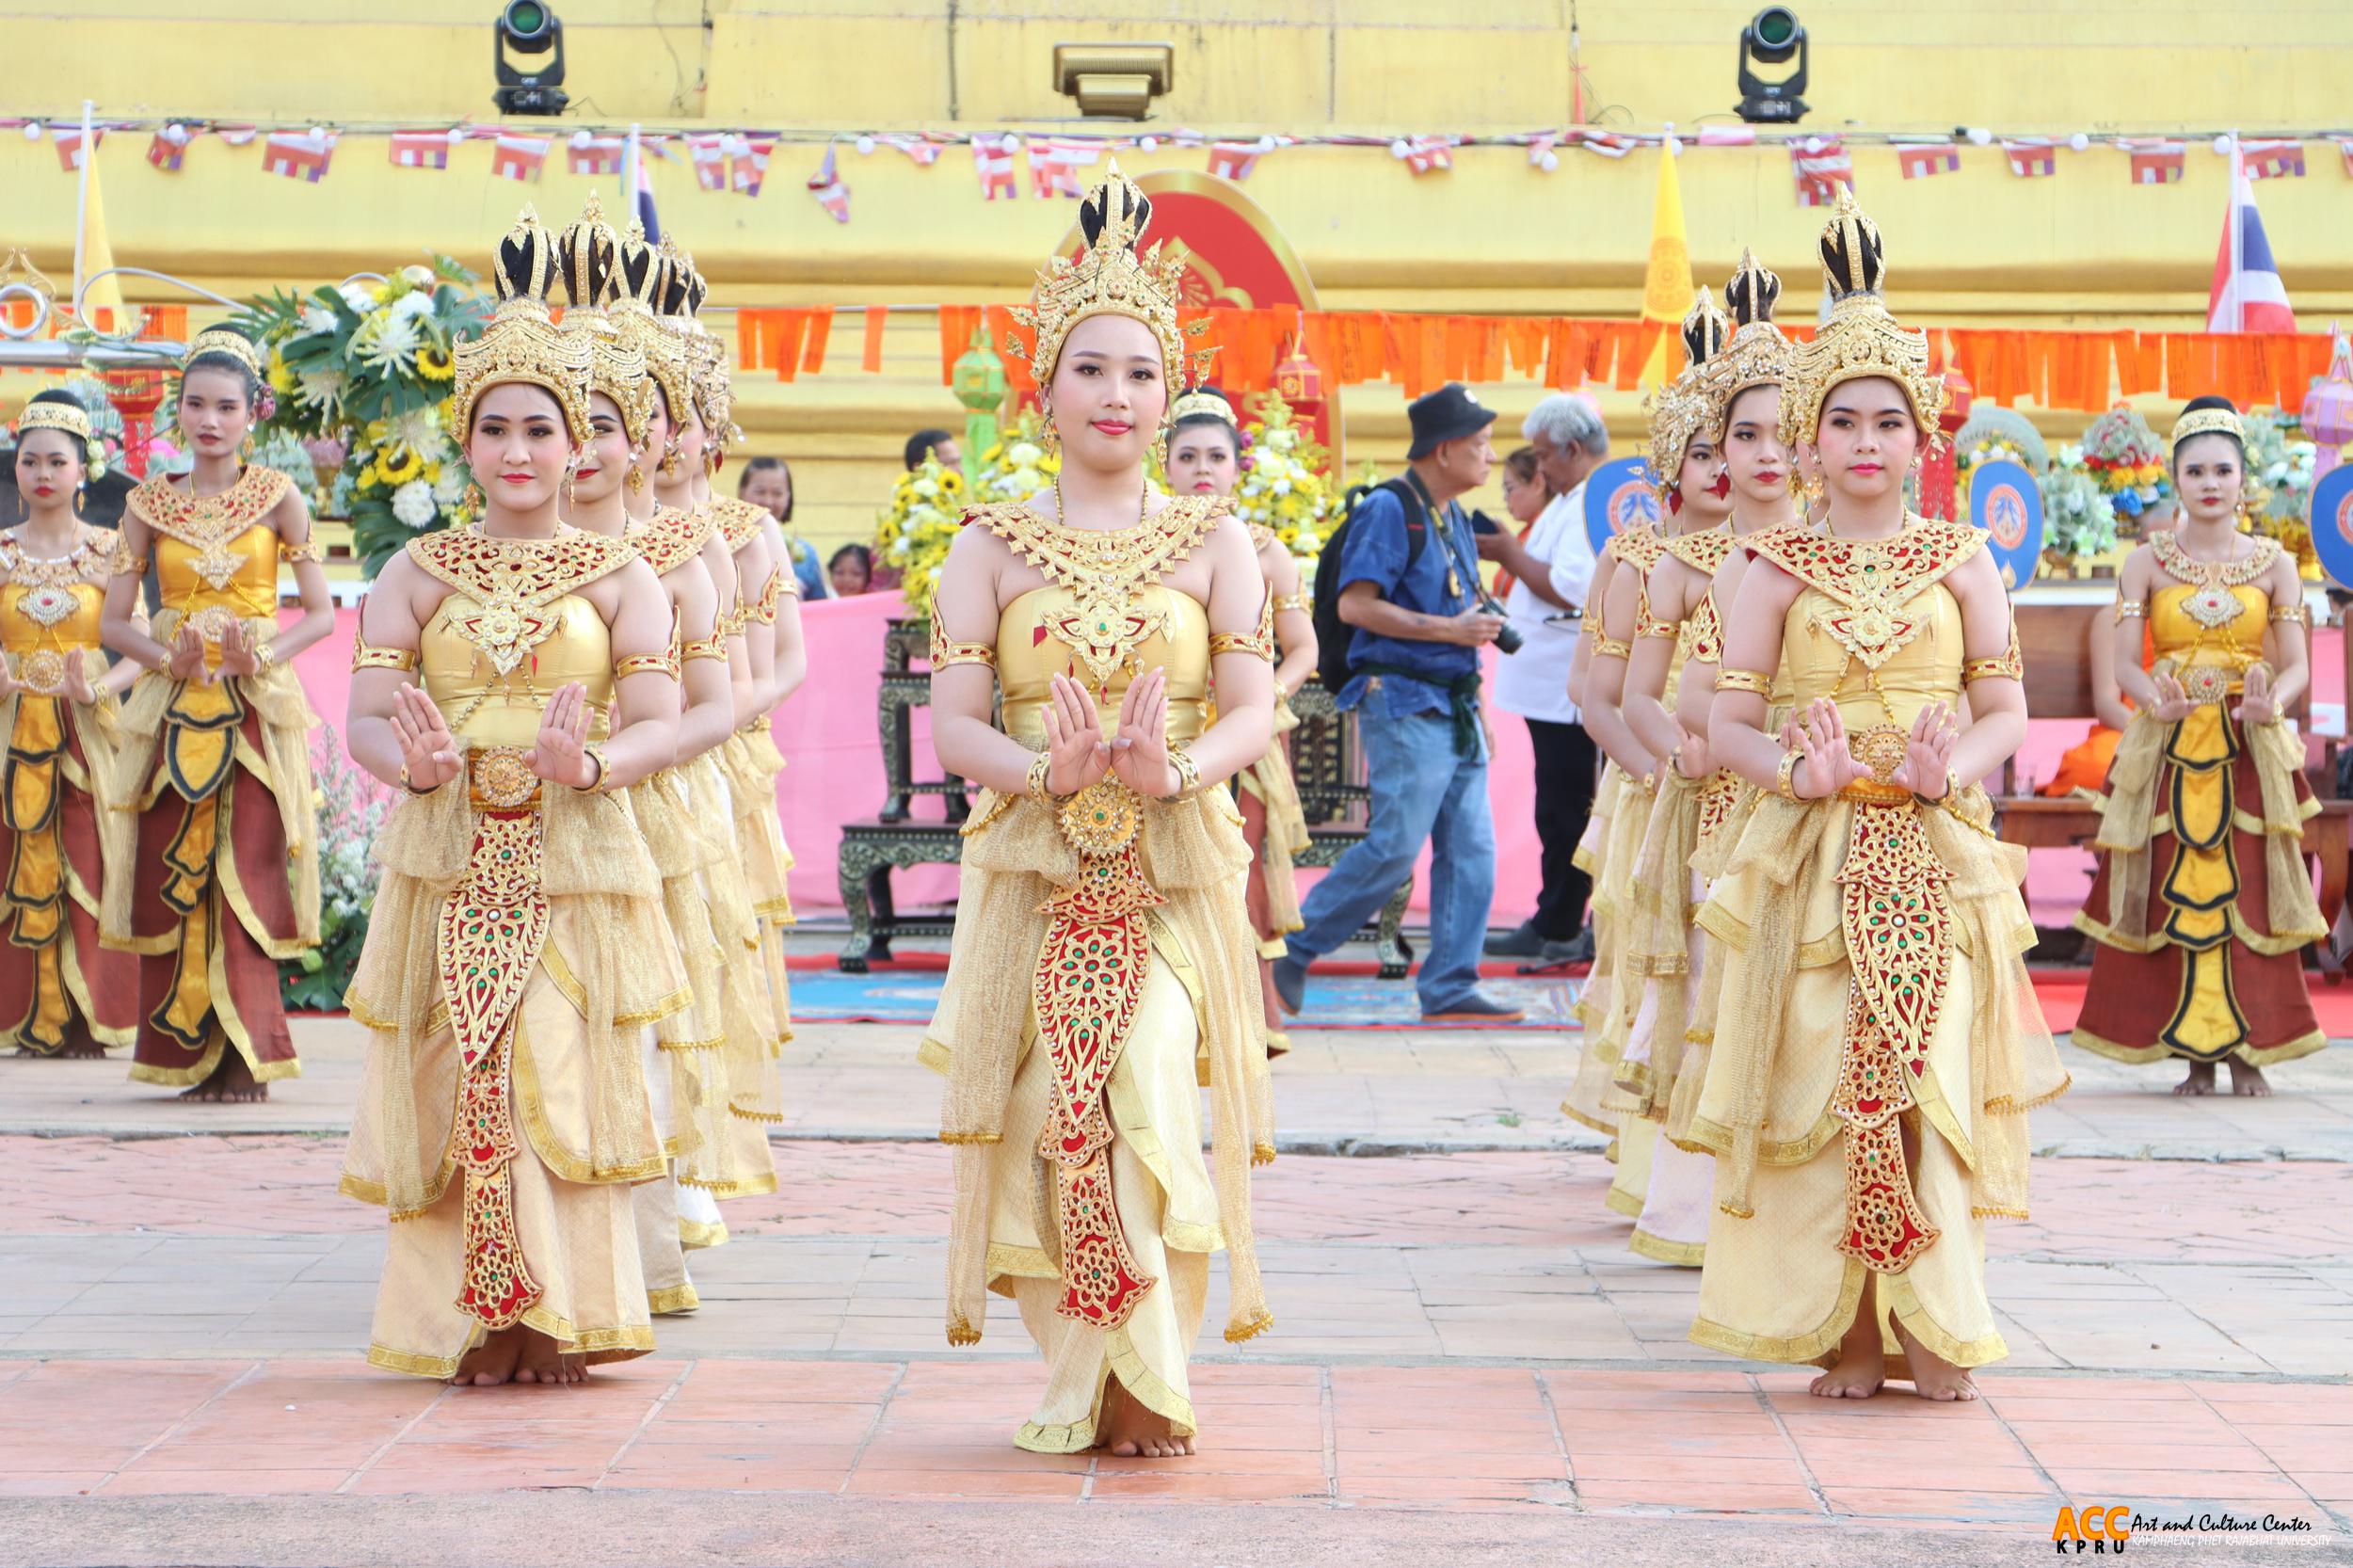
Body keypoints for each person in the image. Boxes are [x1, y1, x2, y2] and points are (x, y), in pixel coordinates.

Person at [921, 166, 1275, 1458]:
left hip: (1173, 857)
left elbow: (1249, 707)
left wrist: (1171, 772)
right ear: (1046, 390)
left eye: (1140, 372)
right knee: (1043, 1110)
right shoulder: (989, 545)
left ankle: (1151, 1372)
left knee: (1140, 1084)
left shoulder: (1214, 539)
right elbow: (958, 724)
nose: (1116, 395)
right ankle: (1092, 1368)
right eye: (1091, 370)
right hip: (1035, 859)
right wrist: (1046, 776)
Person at [1691, 190, 2068, 1401]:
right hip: (1809, 853)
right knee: (1827, 1080)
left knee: (1925, 1077)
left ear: (1922, 440)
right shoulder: (1769, 564)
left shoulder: (1964, 558)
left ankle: (1934, 1321)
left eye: (1887, 421)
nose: (1865, 440)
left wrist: (1944, 770)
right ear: (1806, 441)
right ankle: (1845, 1327)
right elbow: (1722, 722)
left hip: (1931, 848)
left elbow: (2003, 711)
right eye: (1841, 419)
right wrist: (1795, 774)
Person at [340, 203, 684, 1385]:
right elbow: (367, 720)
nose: (522, 450)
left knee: (549, 1060)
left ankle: (559, 1313)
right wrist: (415, 765)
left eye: (543, 428)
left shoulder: (622, 573)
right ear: (466, 442)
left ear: (579, 445)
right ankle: (474, 1315)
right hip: (448, 852)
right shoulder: (413, 569)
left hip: (571, 851)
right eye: (496, 429)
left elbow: (660, 722)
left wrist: (586, 766)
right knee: (462, 1069)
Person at [550, 194, 749, 1315]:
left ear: (644, 439)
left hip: (653, 809)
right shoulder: (478, 556)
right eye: (548, 423)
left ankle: (644, 1235)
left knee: (645, 1022)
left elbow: (719, 703)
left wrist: (635, 753)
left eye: (601, 425)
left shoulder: (680, 553)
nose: (577, 451)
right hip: (518, 812)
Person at [1609, 255, 1806, 1268]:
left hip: (1812, 809)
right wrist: (1675, 755)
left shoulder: (1836, 558)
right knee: (1713, 994)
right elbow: (1636, 693)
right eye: (1745, 435)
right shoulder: (1686, 564)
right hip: (1711, 805)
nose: (1766, 454)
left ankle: (1792, 1211)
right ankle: (1698, 1210)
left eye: (1783, 432)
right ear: (1717, 453)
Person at [100, 326, 333, 1102]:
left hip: (254, 709)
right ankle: (186, 1055)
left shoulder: (279, 497)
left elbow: (322, 616)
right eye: (196, 404)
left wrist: (257, 657)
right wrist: (173, 659)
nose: (209, 419)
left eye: (225, 406)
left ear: (251, 414)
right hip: (174, 707)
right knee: (182, 873)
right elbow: (113, 625)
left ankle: (250, 1058)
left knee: (246, 867)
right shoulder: (147, 503)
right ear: (179, 412)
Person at [2072, 398, 2325, 1094]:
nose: (2210, 482)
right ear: (2175, 481)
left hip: (2248, 744)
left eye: (2222, 470)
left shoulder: (2275, 565)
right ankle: (2194, 1057)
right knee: (2173, 890)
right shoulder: (2144, 563)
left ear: (2245, 481)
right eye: (2195, 471)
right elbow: (2126, 665)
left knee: (2248, 891)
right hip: (2169, 747)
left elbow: (2299, 663)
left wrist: (2275, 699)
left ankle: (2249, 1052)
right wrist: (2158, 701)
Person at [1272, 383, 1520, 1022]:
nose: (1491, 457)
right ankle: (1294, 950)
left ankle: (1451, 983)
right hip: (1403, 701)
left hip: (1455, 705)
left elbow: (1470, 610)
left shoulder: (1456, 516)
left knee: (1472, 851)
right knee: (1394, 848)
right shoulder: (1391, 509)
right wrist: (1448, 633)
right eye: (1481, 444)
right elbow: (1357, 605)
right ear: (1444, 451)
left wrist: (1481, 706)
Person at [1561, 294, 1731, 1223]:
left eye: (1732, 444)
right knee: (1648, 960)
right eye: (1700, 451)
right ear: (1671, 465)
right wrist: (1655, 767)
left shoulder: (1781, 557)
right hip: (1653, 776)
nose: (1720, 467)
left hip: (1742, 774)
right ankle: (1647, 1153)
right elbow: (1594, 690)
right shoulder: (1636, 559)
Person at [653, 242, 794, 1208]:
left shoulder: (741, 530)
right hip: (631, 754)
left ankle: (706, 1146)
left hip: (719, 755)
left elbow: (783, 660)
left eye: (676, 411)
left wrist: (706, 725)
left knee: (714, 942)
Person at [1166, 387, 1319, 1054]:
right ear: (1163, 464)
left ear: (1238, 468)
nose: (1203, 469)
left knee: (1238, 867)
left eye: (1216, 457)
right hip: (1167, 730)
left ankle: (1243, 1021)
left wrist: (1261, 700)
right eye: (1188, 455)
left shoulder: (1263, 551)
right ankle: (1171, 1016)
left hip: (1242, 739)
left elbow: (1306, 649)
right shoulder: (1138, 548)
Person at [2, 392, 141, 1057]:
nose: (44, 473)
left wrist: (98, 688)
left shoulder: (111, 550)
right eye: (31, 461)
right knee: (14, 858)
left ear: (84, 470)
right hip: (11, 732)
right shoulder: (0, 551)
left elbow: (138, 645)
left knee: (92, 859)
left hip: (88, 731)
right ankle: (22, 1013)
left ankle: (93, 1014)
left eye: (58, 461)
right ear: (17, 470)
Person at [1483, 394, 1607, 965]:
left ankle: (1562, 920)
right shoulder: (1570, 499)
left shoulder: (1589, 504)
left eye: (1542, 456)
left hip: (1567, 686)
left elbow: (1575, 590)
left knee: (1566, 810)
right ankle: (1553, 915)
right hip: (1546, 681)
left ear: (1571, 450)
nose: (1540, 468)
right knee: (1554, 806)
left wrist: (1509, 552)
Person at [2041, 498, 2177, 798]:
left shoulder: (2201, 614)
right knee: (2099, 766)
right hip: (2130, 733)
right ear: (2138, 548)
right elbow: (2107, 705)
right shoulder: (2112, 619)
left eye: (2176, 548)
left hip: (2193, 733)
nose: (2167, 559)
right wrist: (2156, 737)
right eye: (2156, 547)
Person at [739, 456, 829, 600]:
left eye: (777, 493)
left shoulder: (806, 555)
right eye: (760, 491)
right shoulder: (726, 546)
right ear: (742, 492)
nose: (768, 501)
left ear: (788, 497)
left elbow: (822, 611)